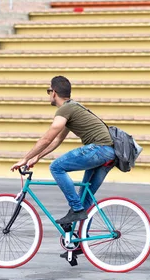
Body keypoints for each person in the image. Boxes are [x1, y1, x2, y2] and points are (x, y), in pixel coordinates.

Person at [10, 75, 116, 227]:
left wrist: (25, 159)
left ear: (53, 92)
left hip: (99, 149)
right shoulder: (73, 108)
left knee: (56, 167)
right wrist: (37, 157)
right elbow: (57, 140)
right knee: (85, 198)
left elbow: (47, 138)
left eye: (49, 91)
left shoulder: (65, 109)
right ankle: (80, 242)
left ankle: (76, 208)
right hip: (108, 153)